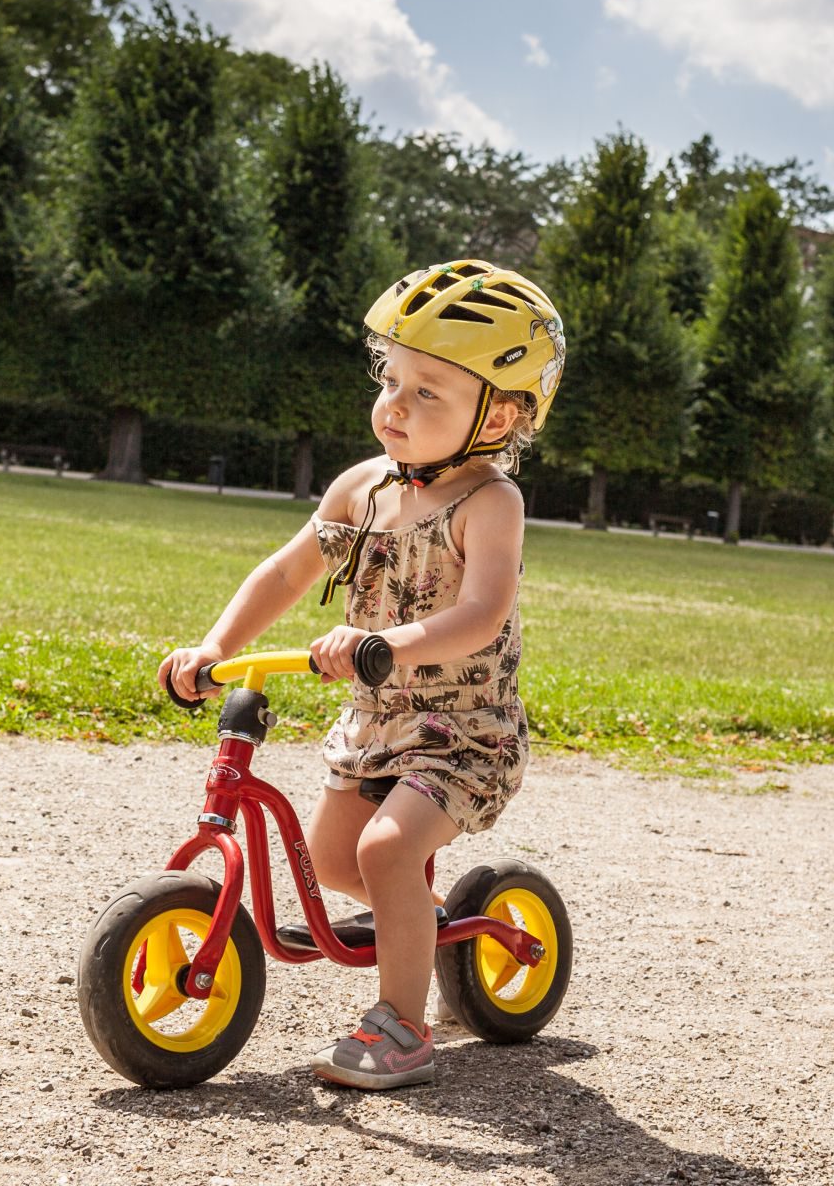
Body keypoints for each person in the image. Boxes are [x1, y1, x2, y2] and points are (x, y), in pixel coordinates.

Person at [158, 260, 561, 1091]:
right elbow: (282, 574)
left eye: (428, 394)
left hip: (463, 729)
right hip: (378, 722)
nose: (394, 408)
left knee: (385, 851)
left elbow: (483, 612)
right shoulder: (362, 488)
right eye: (392, 381)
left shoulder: (492, 502)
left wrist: (389, 644)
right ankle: (439, 930)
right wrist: (213, 645)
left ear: (507, 412)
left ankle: (402, 1028)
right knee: (336, 865)